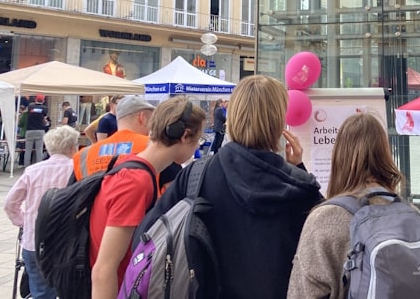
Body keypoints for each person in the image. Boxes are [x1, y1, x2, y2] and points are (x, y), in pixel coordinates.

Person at [139, 75, 322, 299]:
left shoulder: (196, 176)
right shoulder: (300, 188)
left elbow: (146, 241)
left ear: (232, 116)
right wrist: (299, 170)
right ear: (278, 122)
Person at [90, 96, 206, 298]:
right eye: (199, 139)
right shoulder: (136, 181)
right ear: (186, 136)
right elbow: (103, 270)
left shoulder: (133, 167)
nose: (198, 147)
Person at [287, 112, 404, 298]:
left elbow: (302, 292)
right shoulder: (408, 213)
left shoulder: (324, 219)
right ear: (385, 155)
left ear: (339, 157)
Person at [4, 126, 80, 299]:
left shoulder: (33, 171)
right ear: (71, 148)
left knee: (41, 292)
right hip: (67, 243)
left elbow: (10, 203)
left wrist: (23, 221)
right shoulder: (78, 170)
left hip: (33, 242)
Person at [71, 95, 154, 181]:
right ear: (142, 117)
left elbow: (73, 190)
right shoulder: (153, 147)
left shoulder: (82, 156)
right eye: (151, 120)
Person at [24, 95, 49, 167]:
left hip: (30, 130)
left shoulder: (30, 106)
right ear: (43, 100)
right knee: (39, 150)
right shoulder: (44, 108)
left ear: (35, 99)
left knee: (28, 150)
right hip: (40, 130)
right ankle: (39, 166)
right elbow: (45, 118)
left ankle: (26, 166)